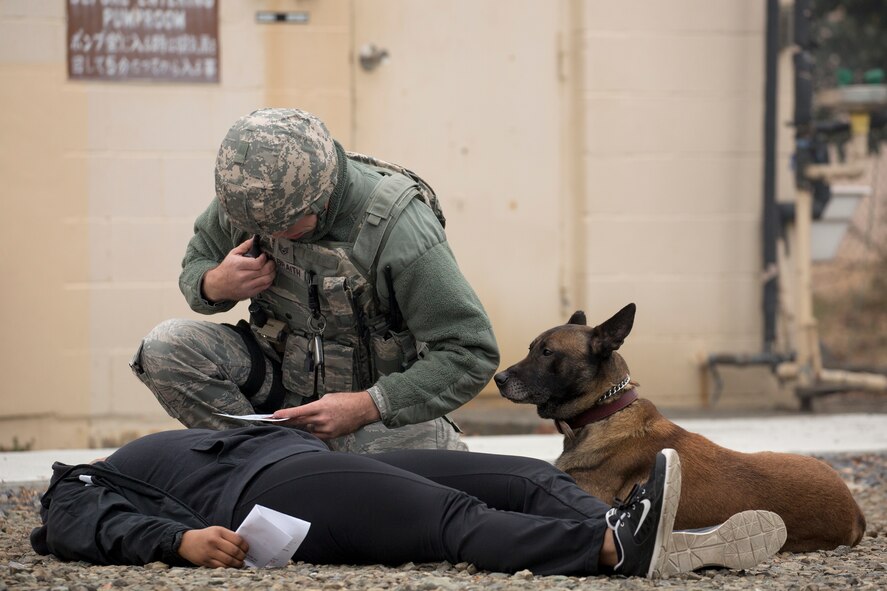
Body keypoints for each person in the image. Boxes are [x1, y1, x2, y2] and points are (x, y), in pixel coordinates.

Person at [130, 108, 499, 453]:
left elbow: (470, 351)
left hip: (374, 414)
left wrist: (370, 404)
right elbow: (197, 260)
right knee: (165, 347)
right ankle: (266, 464)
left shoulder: (398, 226)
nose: (268, 234)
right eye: (261, 229)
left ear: (321, 201)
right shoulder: (253, 202)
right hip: (280, 393)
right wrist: (214, 284)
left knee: (416, 507)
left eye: (283, 228)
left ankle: (307, 470)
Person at [31, 426, 785, 578]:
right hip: (271, 496)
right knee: (453, 523)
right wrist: (178, 543)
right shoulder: (78, 485)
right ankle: (607, 549)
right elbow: (77, 523)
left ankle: (625, 526)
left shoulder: (125, 465)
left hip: (311, 461)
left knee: (521, 471)